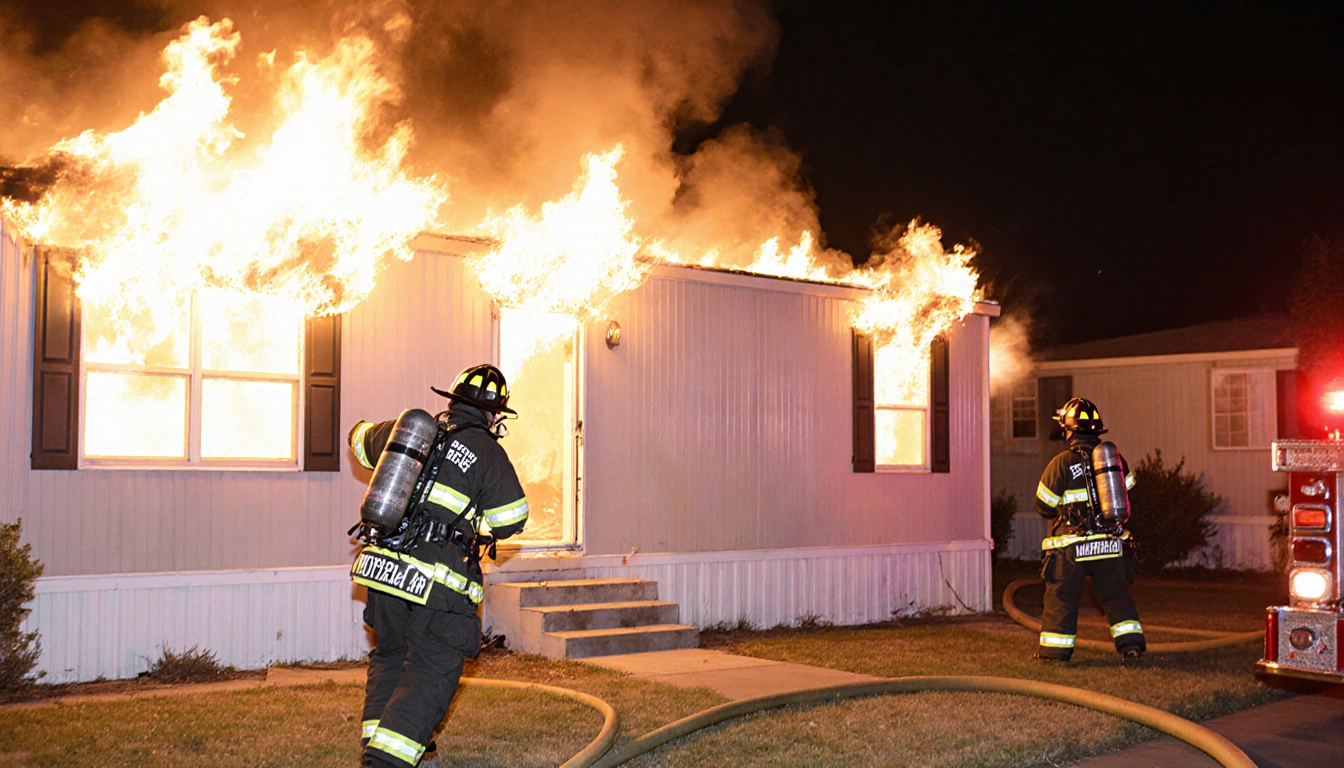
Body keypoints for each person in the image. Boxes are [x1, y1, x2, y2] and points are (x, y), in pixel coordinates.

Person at [348, 364, 529, 767]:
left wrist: (366, 430)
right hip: (437, 581)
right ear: (494, 415)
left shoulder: (411, 431)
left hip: (384, 569)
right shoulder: (487, 452)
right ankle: (385, 761)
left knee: (392, 655)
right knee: (432, 667)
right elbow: (510, 519)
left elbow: (359, 441)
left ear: (452, 401)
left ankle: (375, 744)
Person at [1034, 397, 1145, 665]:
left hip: (1073, 546)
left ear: (1069, 430)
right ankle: (1131, 647)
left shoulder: (1060, 463)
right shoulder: (1115, 459)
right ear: (1096, 430)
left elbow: (1044, 506)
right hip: (1110, 543)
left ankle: (1055, 655)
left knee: (1062, 597)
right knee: (1116, 596)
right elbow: (1128, 492)